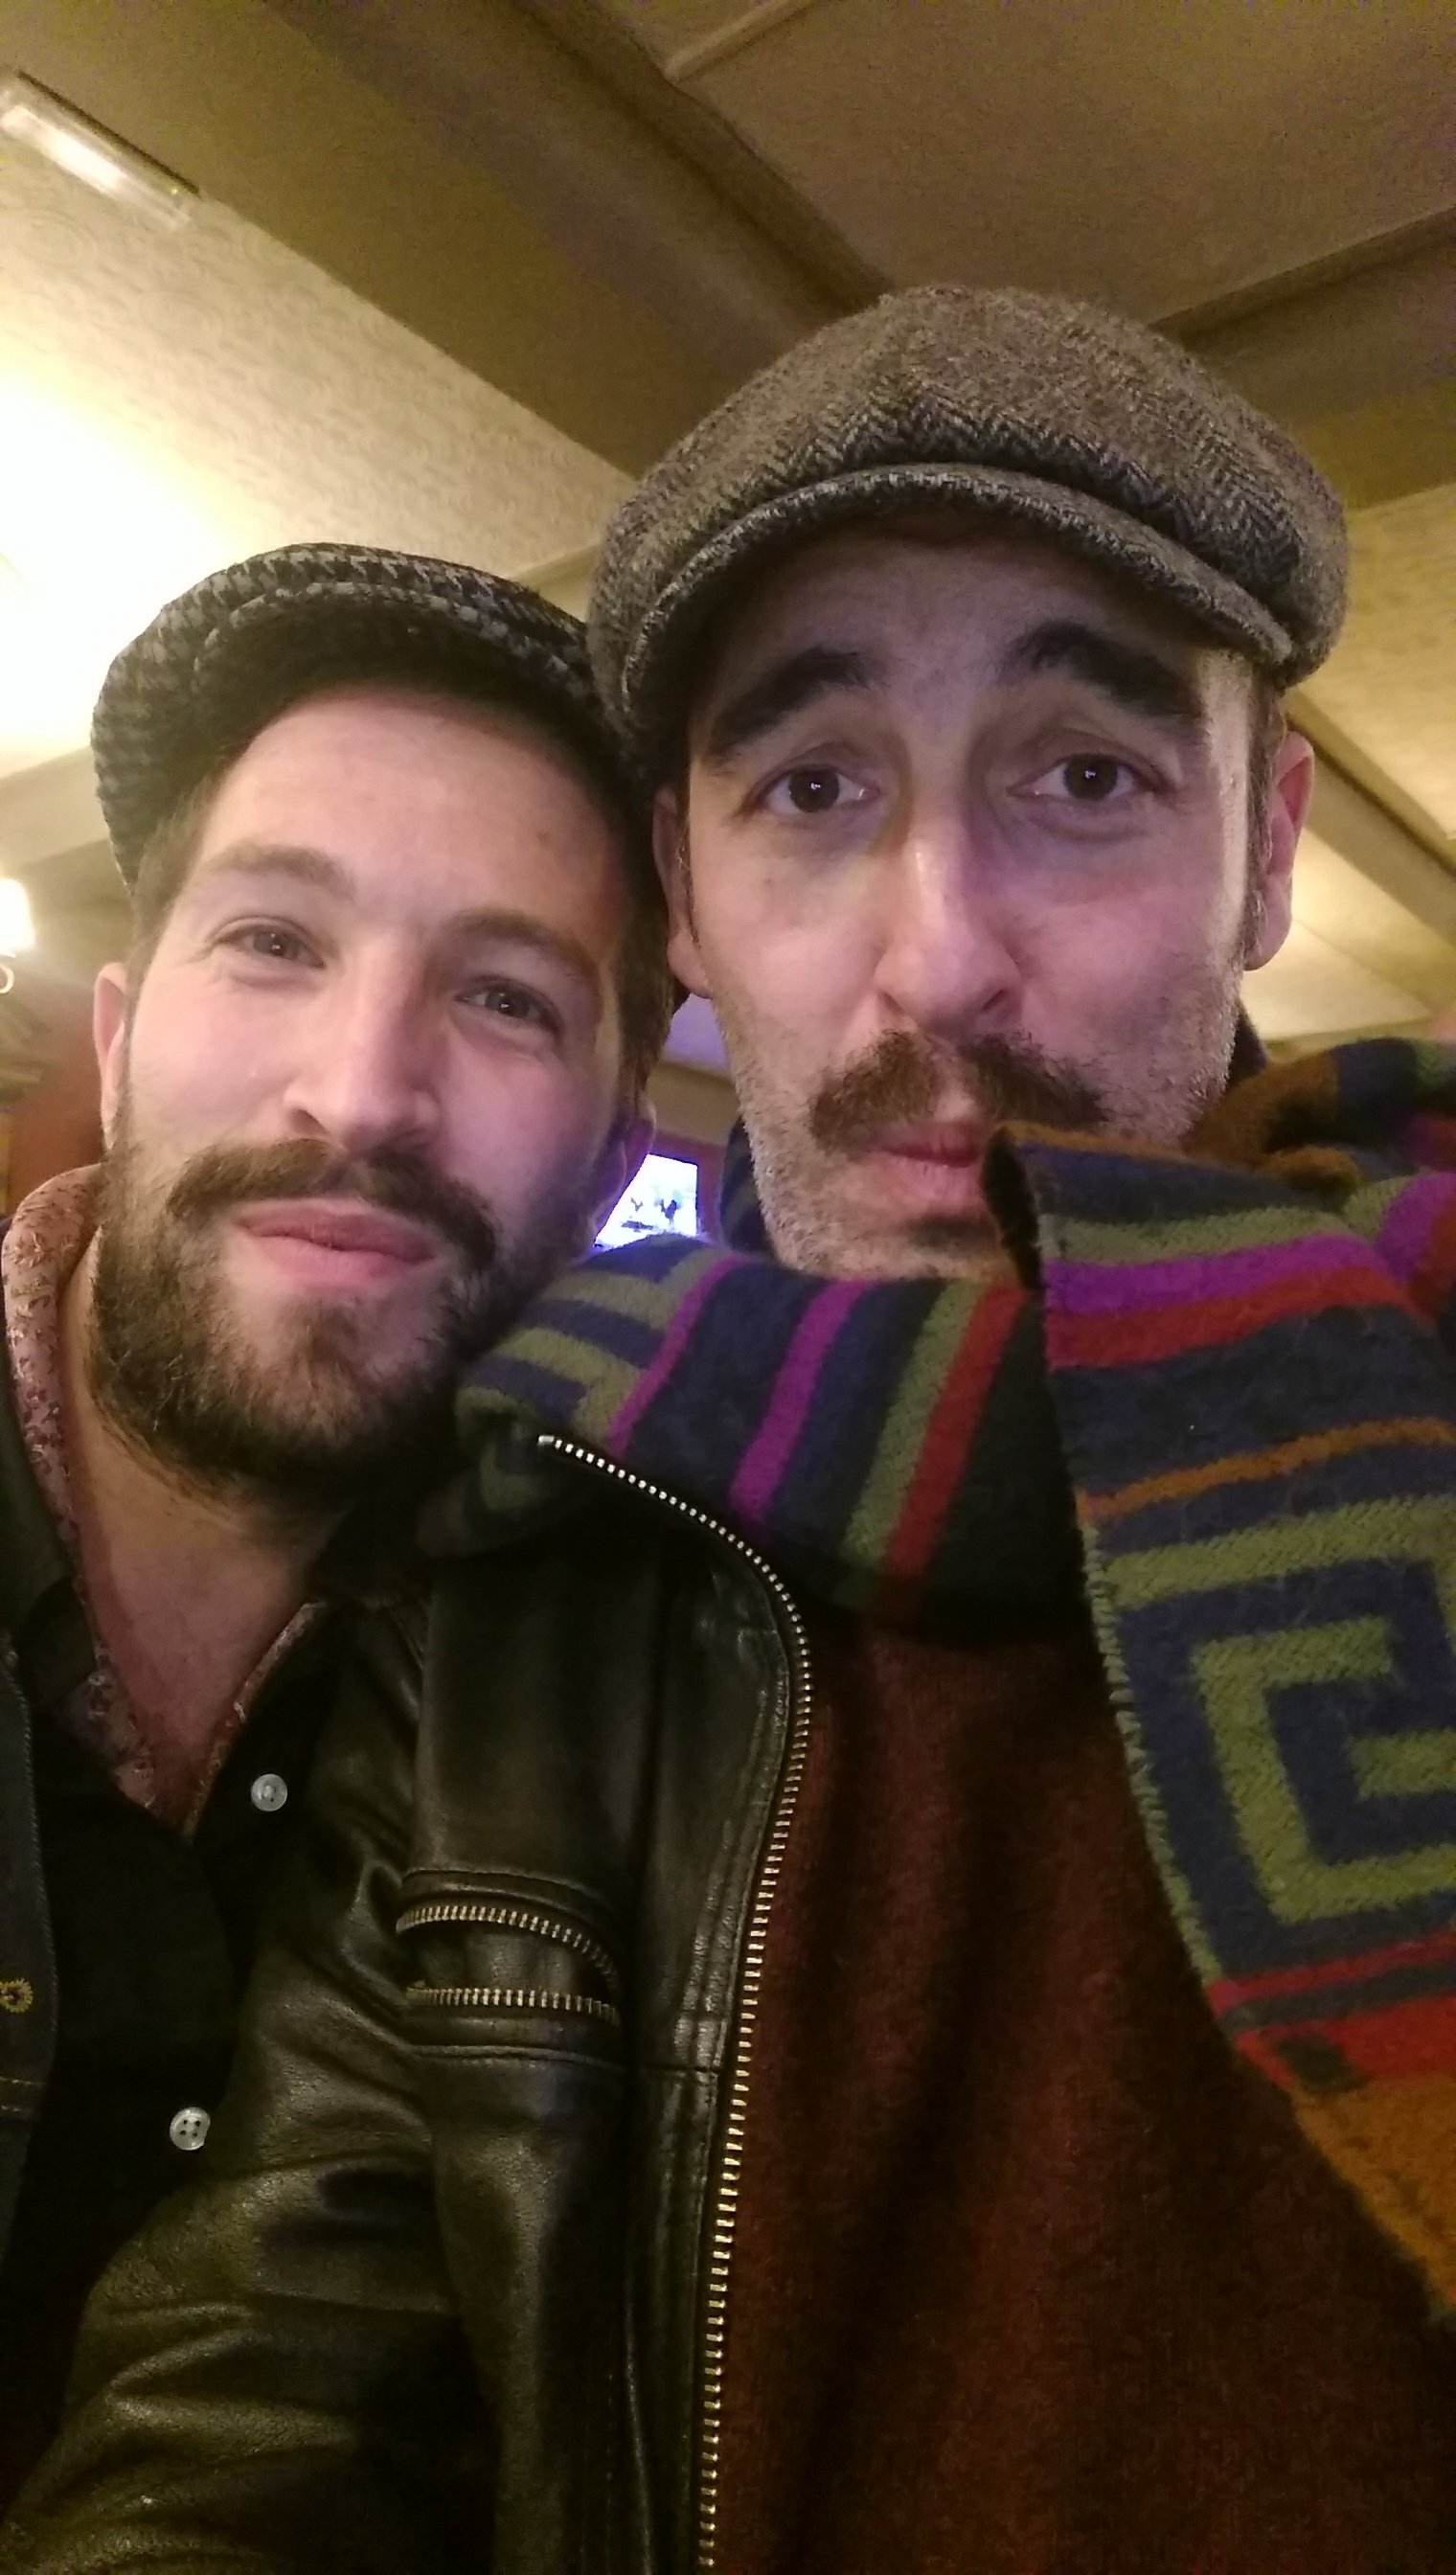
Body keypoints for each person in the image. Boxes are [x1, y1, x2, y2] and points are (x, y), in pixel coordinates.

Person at [8, 293, 1456, 2573]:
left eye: (1085, 777)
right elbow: (261, 2407)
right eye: (813, 791)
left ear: (1267, 849)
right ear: (689, 896)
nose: (939, 959)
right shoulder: (542, 1568)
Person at [0, 541, 666, 2506]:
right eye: (275, 941)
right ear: (118, 1037)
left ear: (618, 1155)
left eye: (507, 997)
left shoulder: (634, 1691)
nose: (363, 1092)